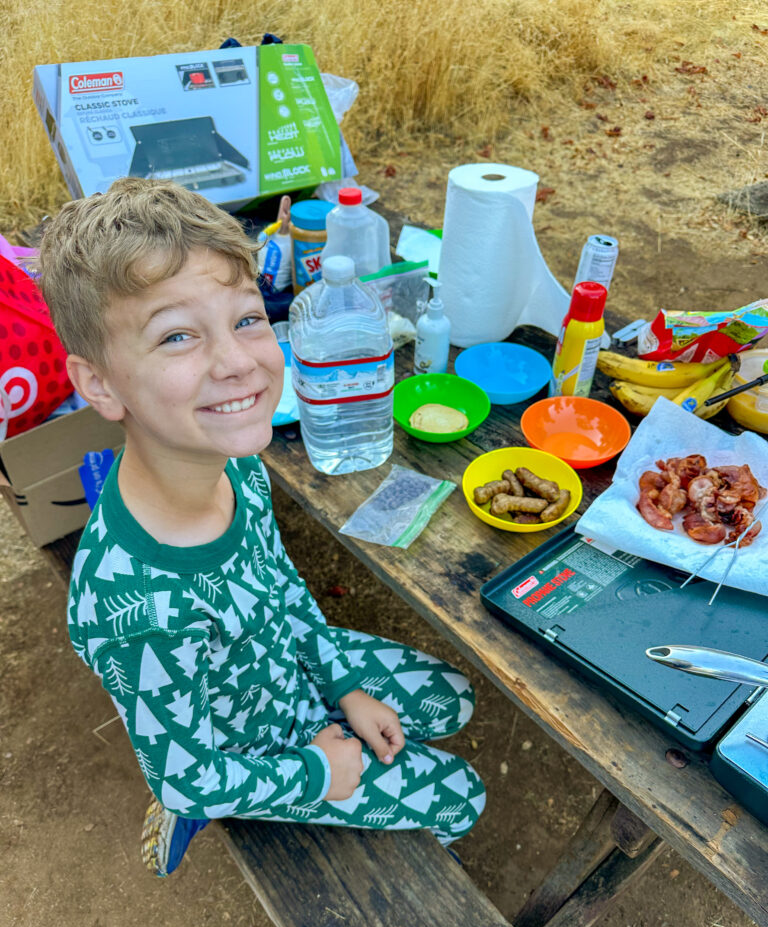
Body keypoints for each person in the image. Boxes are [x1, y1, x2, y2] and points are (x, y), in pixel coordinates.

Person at [38, 178, 485, 877]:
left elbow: (280, 588)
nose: (238, 361)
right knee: (464, 797)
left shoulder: (237, 467)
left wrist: (341, 684)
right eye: (177, 336)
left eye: (247, 319)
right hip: (253, 749)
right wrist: (316, 772)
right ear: (99, 385)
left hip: (287, 667)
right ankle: (374, 847)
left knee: (452, 698)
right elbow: (184, 778)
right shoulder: (137, 610)